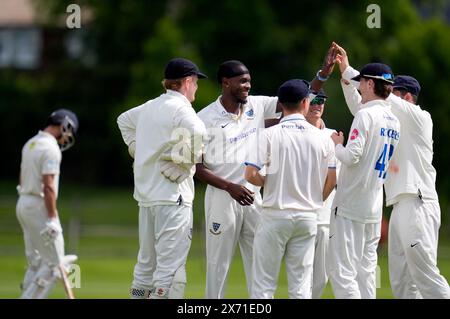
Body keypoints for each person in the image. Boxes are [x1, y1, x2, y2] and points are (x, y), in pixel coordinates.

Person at [117, 58, 207, 299]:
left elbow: (123, 120)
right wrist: (187, 160)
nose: (196, 88)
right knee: (171, 271)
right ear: (187, 82)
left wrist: (136, 148)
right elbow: (199, 132)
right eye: (196, 82)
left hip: (147, 199)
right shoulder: (181, 108)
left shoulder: (149, 106)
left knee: (145, 267)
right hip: (173, 198)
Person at [244, 79, 336, 299]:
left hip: (275, 214)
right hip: (308, 217)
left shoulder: (269, 134)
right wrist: (315, 200)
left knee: (264, 285)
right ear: (305, 102)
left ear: (281, 104)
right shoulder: (322, 138)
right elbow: (331, 181)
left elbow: (250, 174)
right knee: (301, 286)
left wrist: (267, 182)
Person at [326, 53, 401, 298]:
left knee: (343, 272)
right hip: (372, 207)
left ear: (370, 84)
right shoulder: (392, 119)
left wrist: (337, 145)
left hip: (350, 204)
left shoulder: (366, 115)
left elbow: (352, 156)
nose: (358, 86)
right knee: (366, 272)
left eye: (361, 82)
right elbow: (361, 109)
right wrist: (345, 75)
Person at [17, 109, 79, 299]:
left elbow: (21, 177)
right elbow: (49, 186)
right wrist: (52, 218)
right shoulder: (50, 148)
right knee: (55, 265)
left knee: (36, 263)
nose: (67, 138)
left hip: (23, 203)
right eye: (69, 132)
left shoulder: (31, 144)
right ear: (64, 125)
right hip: (39, 207)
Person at [305, 90, 340, 299]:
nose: (318, 105)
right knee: (301, 274)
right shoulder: (294, 131)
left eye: (322, 101)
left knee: (321, 277)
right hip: (300, 214)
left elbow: (338, 180)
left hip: (326, 217)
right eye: (314, 101)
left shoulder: (333, 135)